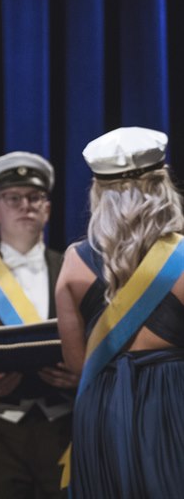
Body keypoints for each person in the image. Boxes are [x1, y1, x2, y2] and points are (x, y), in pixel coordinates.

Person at [55, 126, 184, 498]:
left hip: (102, 407)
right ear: (163, 186)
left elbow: (77, 364)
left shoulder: (73, 263)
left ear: (99, 191)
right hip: (174, 401)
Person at [0, 152, 77, 499]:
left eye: (35, 197)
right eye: (13, 198)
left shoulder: (74, 269)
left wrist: (81, 374)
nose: (26, 206)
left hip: (65, 427)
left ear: (47, 209)